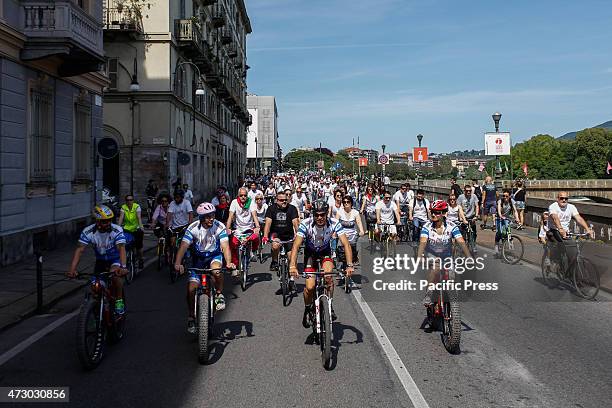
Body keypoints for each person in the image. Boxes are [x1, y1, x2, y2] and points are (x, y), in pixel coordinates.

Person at [289, 200, 354, 325]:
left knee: (329, 276)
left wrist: (350, 265)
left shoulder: (334, 223)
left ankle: (329, 304)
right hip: (310, 255)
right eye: (317, 215)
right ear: (313, 214)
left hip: (325, 252)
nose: (319, 217)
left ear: (326, 214)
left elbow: (346, 244)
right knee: (310, 287)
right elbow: (296, 246)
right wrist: (292, 266)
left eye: (322, 215)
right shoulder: (305, 224)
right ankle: (308, 308)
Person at [174, 203, 235, 333]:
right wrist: (178, 263)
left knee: (216, 270)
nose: (211, 219)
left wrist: (229, 262)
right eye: (207, 217)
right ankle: (191, 316)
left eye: (212, 215)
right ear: (201, 218)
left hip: (214, 255)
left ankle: (218, 294)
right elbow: (183, 247)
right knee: (191, 288)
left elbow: (225, 246)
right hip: (198, 259)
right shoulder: (193, 228)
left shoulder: (220, 226)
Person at [67, 205, 127, 315]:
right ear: (97, 222)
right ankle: (96, 313)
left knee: (116, 276)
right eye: (104, 221)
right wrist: (72, 270)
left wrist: (123, 267)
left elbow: (121, 248)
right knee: (95, 288)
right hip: (100, 261)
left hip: (115, 259)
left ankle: (119, 300)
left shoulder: (116, 230)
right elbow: (79, 250)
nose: (108, 223)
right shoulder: (88, 231)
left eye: (109, 220)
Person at [417, 200, 472, 306]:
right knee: (436, 267)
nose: (433, 214)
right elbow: (422, 243)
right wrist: (419, 257)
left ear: (443, 213)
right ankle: (429, 293)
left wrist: (468, 256)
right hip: (432, 255)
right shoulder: (427, 226)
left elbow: (461, 241)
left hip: (447, 256)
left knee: (451, 276)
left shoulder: (451, 226)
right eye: (432, 211)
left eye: (437, 212)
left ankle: (451, 302)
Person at [263, 191, 300, 289]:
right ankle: (274, 261)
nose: (284, 202)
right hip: (276, 234)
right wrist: (265, 236)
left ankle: (291, 280)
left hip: (289, 236)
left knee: (292, 256)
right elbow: (268, 223)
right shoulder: (271, 209)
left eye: (285, 200)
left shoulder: (292, 208)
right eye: (281, 200)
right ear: (276, 200)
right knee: (275, 245)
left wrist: (299, 235)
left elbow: (296, 223)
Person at [545, 191, 594, 265]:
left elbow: (579, 218)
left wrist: (587, 229)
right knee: (561, 247)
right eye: (561, 198)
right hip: (553, 230)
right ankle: (552, 259)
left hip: (566, 232)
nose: (564, 200)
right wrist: (560, 229)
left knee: (573, 251)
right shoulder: (553, 206)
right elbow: (555, 218)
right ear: (557, 199)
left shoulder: (571, 207)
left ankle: (570, 272)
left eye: (566, 198)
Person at [226, 187, 261, 275]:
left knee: (256, 237)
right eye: (241, 195)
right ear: (238, 196)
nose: (243, 197)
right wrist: (227, 228)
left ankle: (253, 251)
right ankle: (236, 265)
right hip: (238, 229)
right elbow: (230, 216)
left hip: (249, 229)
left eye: (245, 195)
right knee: (232, 244)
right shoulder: (234, 202)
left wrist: (257, 227)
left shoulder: (251, 202)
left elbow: (254, 215)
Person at [335, 195, 365, 274]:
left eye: (348, 202)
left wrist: (361, 230)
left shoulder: (355, 212)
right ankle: (340, 265)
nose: (346, 203)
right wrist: (335, 233)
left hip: (352, 235)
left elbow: (358, 222)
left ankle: (352, 262)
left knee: (352, 251)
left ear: (351, 203)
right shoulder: (340, 212)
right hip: (342, 234)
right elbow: (336, 223)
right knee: (341, 252)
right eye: (344, 202)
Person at [117, 194, 145, 269]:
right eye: (128, 200)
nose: (129, 201)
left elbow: (138, 217)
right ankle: (126, 259)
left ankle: (141, 259)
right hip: (127, 229)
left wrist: (141, 226)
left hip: (136, 229)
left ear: (133, 200)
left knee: (139, 246)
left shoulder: (137, 206)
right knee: (124, 245)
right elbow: (121, 218)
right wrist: (117, 228)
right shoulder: (123, 207)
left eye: (131, 200)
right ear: (126, 201)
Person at [495, 189, 519, 256]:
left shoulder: (512, 201)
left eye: (506, 196)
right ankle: (496, 245)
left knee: (508, 232)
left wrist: (517, 218)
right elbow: (499, 210)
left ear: (509, 196)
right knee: (499, 232)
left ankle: (510, 247)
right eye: (504, 196)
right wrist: (500, 216)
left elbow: (515, 211)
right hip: (499, 218)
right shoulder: (500, 201)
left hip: (507, 218)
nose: (505, 197)